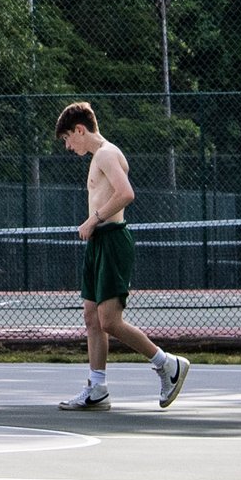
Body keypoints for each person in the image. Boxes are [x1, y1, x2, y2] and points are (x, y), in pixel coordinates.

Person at [53, 102, 189, 411]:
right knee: (91, 317)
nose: (68, 146)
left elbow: (126, 193)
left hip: (112, 240)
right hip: (99, 243)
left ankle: (167, 364)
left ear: (79, 130)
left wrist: (93, 219)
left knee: (110, 321)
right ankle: (97, 388)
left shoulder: (106, 153)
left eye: (67, 139)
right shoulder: (96, 157)